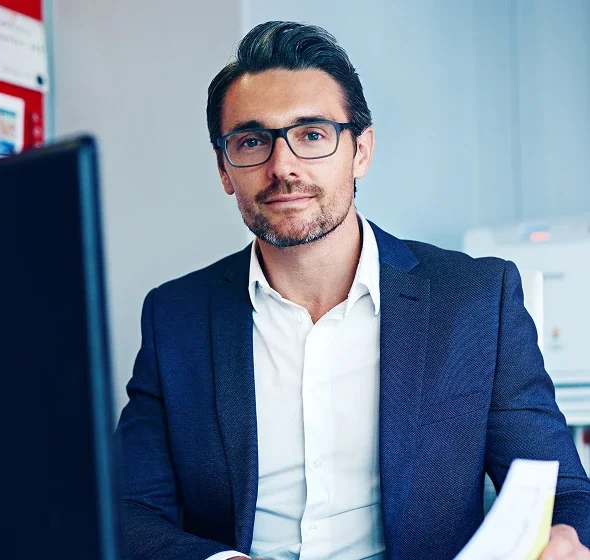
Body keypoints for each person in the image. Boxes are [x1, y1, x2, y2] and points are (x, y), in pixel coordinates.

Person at [116, 21, 590, 560]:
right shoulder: (174, 317)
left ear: (361, 150)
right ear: (225, 170)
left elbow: (564, 492)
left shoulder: (476, 299)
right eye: (251, 141)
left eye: (312, 135)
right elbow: (129, 510)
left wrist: (563, 540)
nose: (282, 166)